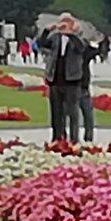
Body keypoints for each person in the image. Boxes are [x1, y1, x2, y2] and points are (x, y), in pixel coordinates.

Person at [39, 13, 87, 143]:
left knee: (72, 112)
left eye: (68, 22)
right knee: (56, 112)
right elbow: (41, 44)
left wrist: (73, 33)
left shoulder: (77, 39)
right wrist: (47, 30)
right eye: (62, 22)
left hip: (72, 81)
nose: (64, 25)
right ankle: (58, 137)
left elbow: (82, 48)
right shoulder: (55, 38)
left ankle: (74, 139)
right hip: (55, 80)